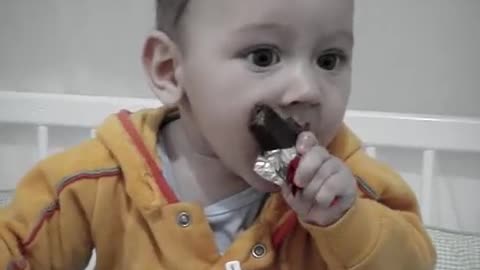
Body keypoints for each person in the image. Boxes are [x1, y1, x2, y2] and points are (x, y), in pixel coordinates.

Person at [0, 0, 436, 269]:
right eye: (263, 56)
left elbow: (416, 262)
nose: (307, 89)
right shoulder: (96, 179)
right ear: (170, 69)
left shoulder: (348, 183)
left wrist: (347, 223)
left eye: (329, 59)